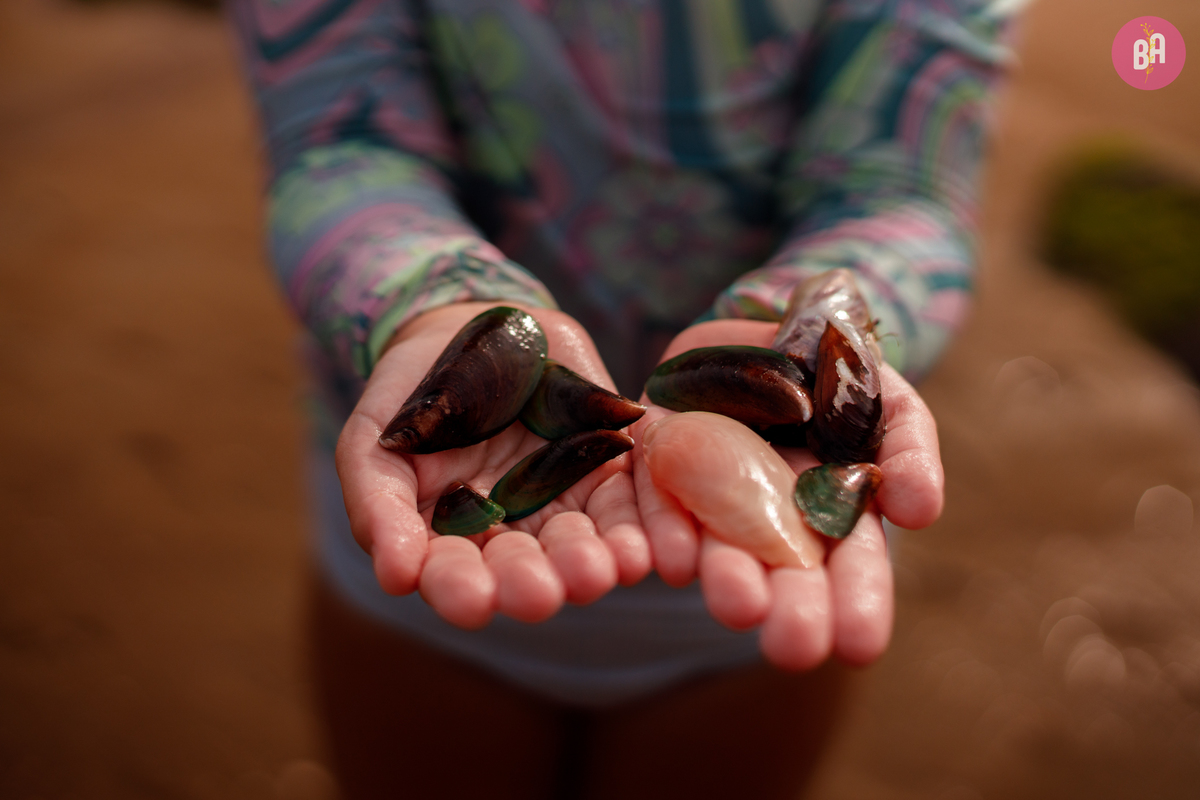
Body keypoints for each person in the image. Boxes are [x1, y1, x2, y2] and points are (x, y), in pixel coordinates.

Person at [230, 1, 1016, 797]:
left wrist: (808, 321)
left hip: (744, 584)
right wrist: (429, 300)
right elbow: (339, 145)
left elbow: (899, 189)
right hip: (435, 516)